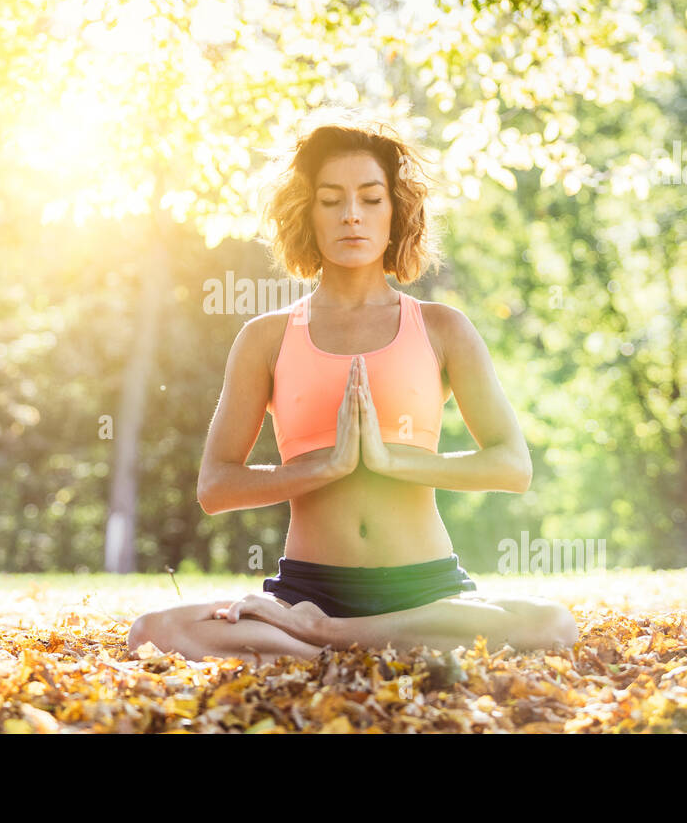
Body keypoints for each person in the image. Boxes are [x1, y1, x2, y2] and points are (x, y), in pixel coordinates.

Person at [128, 114, 579, 666]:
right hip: (307, 588)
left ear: (396, 213)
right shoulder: (265, 338)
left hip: (425, 588)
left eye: (370, 199)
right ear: (307, 213)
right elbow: (215, 486)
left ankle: (324, 641)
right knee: (152, 631)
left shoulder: (442, 328)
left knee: (551, 623)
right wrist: (324, 466)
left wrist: (392, 460)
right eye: (330, 200)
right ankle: (367, 642)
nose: (350, 216)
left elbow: (512, 466)